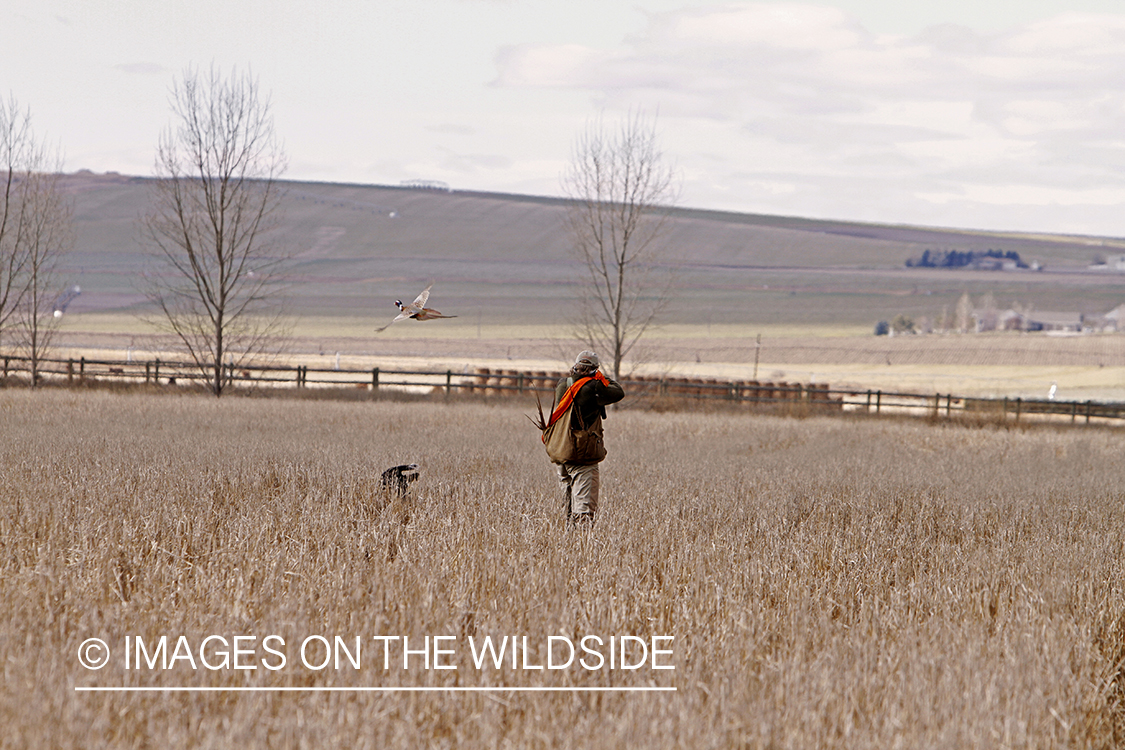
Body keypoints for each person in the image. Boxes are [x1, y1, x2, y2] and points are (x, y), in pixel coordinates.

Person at [552, 351, 624, 527]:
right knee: (584, 509)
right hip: (582, 453)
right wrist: (599, 377)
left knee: (568, 501)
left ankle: (567, 537)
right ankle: (582, 544)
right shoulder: (593, 388)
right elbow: (618, 392)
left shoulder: (563, 384)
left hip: (562, 449)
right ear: (594, 370)